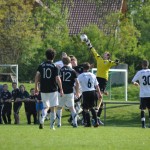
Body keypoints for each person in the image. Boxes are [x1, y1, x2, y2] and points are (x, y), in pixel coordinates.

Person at [81, 34, 119, 125]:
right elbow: (92, 50)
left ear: (108, 56)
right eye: (104, 53)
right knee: (96, 95)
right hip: (97, 78)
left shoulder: (109, 62)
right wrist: (87, 42)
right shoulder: (99, 59)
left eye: (105, 54)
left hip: (103, 80)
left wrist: (117, 62)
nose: (104, 54)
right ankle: (95, 116)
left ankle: (96, 110)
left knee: (100, 95)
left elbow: (115, 63)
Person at [35, 48, 63, 130]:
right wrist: (61, 89)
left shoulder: (41, 65)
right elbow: (57, 78)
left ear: (46, 56)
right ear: (54, 56)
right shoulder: (55, 66)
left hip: (43, 88)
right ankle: (52, 126)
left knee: (45, 106)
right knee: (53, 107)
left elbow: (37, 76)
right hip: (53, 89)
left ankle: (42, 119)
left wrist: (36, 87)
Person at [56, 56, 79, 128]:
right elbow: (77, 82)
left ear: (62, 62)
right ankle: (75, 123)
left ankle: (59, 123)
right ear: (70, 62)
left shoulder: (60, 70)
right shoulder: (73, 71)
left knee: (59, 107)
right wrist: (77, 92)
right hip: (70, 91)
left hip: (61, 91)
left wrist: (60, 88)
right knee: (72, 108)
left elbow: (57, 79)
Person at [78, 62, 102, 127]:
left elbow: (77, 84)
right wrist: (99, 93)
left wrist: (77, 92)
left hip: (85, 92)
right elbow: (97, 85)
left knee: (85, 109)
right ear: (89, 68)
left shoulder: (80, 76)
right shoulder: (93, 75)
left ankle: (88, 123)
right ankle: (96, 122)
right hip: (92, 92)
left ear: (83, 68)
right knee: (92, 107)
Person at [132, 60, 150, 128]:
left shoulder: (139, 72)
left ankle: (143, 124)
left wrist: (136, 83)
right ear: (148, 65)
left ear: (142, 65)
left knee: (143, 109)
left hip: (143, 94)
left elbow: (133, 81)